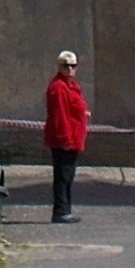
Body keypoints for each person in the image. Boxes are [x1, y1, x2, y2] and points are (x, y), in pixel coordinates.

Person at [44, 49, 90, 224]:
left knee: (68, 176)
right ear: (59, 66)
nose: (70, 69)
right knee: (63, 176)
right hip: (64, 140)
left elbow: (73, 107)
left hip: (74, 138)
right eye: (66, 66)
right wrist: (65, 140)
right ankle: (61, 211)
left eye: (73, 66)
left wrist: (82, 113)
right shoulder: (58, 87)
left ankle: (66, 209)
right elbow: (60, 115)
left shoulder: (71, 85)